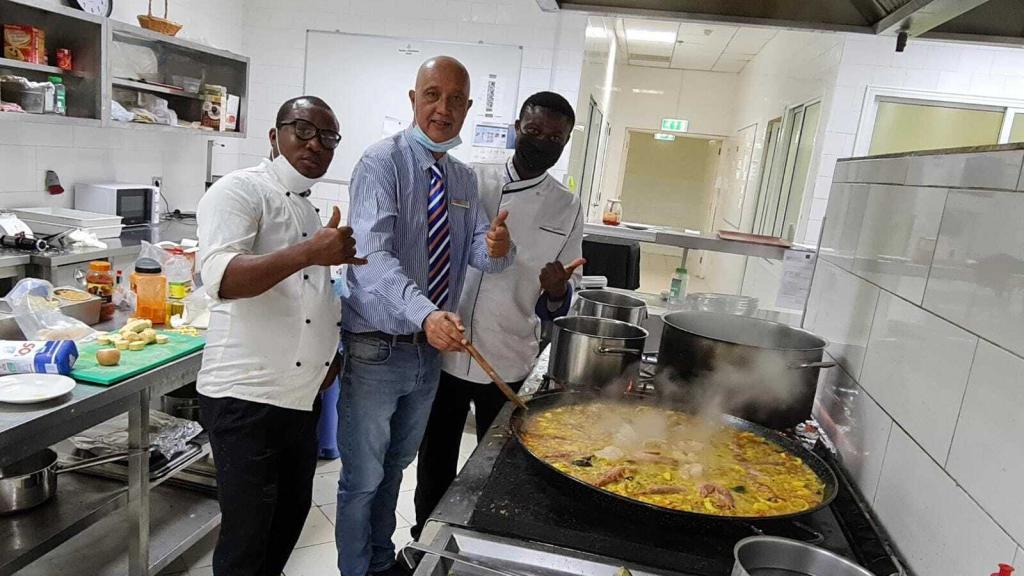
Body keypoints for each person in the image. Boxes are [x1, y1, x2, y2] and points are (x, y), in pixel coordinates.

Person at [337, 56, 515, 576]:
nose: (444, 108)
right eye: (432, 95)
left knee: (395, 468)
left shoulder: (460, 178)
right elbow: (373, 259)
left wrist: (500, 245)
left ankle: (378, 560)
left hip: (427, 355)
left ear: (467, 109)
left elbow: (482, 258)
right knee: (363, 478)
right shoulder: (380, 164)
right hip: (376, 346)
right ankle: (356, 569)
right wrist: (427, 314)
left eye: (455, 99)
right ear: (413, 99)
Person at [196, 96, 365, 576]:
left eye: (328, 137)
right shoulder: (238, 192)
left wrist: (327, 354)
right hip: (245, 398)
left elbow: (303, 294)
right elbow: (223, 278)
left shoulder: (310, 211)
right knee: (246, 542)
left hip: (298, 399)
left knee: (286, 522)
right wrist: (311, 253)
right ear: (274, 136)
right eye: (303, 130)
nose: (316, 144)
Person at [412, 91, 584, 539]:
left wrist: (556, 290)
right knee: (435, 459)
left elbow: (562, 297)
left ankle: (486, 542)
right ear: (515, 128)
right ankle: (425, 536)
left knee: (500, 465)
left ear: (565, 143)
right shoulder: (471, 179)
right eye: (533, 131)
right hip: (449, 345)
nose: (543, 141)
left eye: (555, 136)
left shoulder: (566, 206)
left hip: (509, 354)